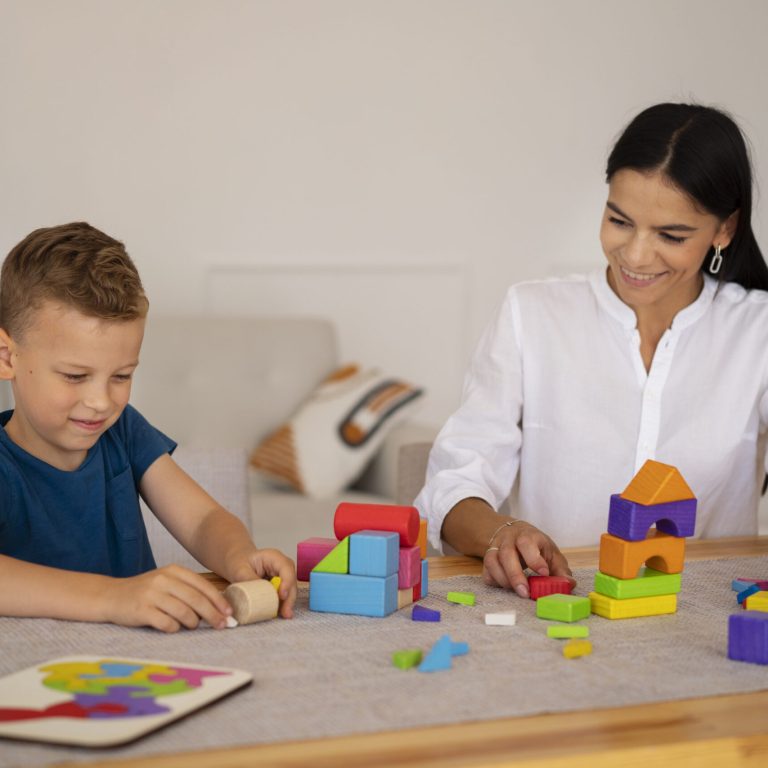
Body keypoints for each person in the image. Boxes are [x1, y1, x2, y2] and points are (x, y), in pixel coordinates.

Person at [415, 102, 768, 599]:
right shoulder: (531, 313)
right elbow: (452, 483)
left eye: (671, 235)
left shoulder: (757, 330)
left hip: (705, 612)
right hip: (559, 607)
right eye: (619, 220)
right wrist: (501, 533)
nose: (637, 254)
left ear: (724, 230)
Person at [0, 222, 297, 631]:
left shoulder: (121, 432)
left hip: (143, 658)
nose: (102, 402)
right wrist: (113, 596)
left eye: (121, 376)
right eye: (74, 376)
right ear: (6, 356)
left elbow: (201, 519)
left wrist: (238, 556)